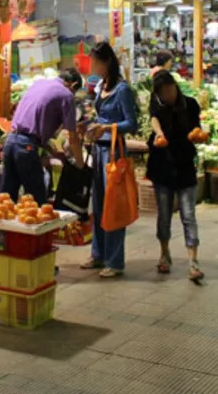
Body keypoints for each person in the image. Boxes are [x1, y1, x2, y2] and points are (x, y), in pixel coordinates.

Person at [81, 42, 137, 278]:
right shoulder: (101, 86)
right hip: (97, 150)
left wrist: (107, 127)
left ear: (105, 63)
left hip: (114, 152)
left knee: (114, 206)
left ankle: (115, 261)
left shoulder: (122, 89)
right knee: (99, 205)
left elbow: (131, 123)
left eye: (94, 61)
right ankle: (98, 254)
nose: (91, 66)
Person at [147, 71, 204, 282]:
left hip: (185, 166)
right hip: (162, 167)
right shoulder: (157, 104)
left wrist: (197, 135)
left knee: (188, 215)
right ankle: (164, 254)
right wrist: (159, 134)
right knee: (164, 215)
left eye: (169, 91)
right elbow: (154, 120)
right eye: (163, 93)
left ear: (175, 87)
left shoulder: (190, 104)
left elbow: (197, 126)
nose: (167, 96)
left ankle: (193, 262)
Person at [2, 68, 85, 205]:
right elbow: (72, 137)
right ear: (74, 85)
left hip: (10, 142)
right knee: (37, 203)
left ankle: (1, 227)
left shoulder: (38, 84)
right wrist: (81, 165)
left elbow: (32, 125)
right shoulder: (67, 94)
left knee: (6, 200)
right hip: (26, 148)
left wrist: (51, 150)